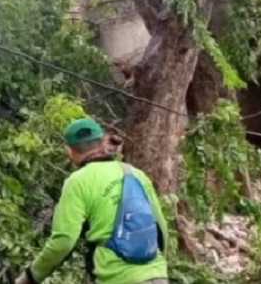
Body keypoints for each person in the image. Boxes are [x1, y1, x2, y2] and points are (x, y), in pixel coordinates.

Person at [15, 117, 169, 284]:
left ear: (68, 151)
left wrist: (30, 277)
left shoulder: (78, 181)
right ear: (104, 141)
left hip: (115, 277)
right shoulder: (136, 173)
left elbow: (63, 241)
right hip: (157, 275)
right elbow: (161, 229)